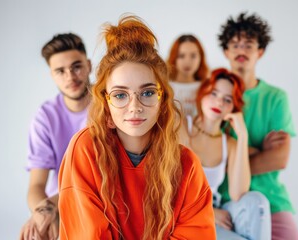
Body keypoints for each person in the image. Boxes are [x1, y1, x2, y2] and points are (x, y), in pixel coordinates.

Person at [58, 15, 216, 240]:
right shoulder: (85, 149)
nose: (134, 106)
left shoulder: (187, 166)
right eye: (120, 95)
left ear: (162, 101)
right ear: (106, 103)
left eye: (148, 93)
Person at [217, 12, 298, 239]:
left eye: (248, 44)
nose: (241, 50)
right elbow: (210, 156)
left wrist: (231, 158)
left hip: (272, 201)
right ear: (226, 52)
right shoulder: (215, 98)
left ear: (260, 51)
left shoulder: (276, 98)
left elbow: (279, 159)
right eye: (234, 45)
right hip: (225, 203)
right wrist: (258, 152)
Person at [179, 68, 271, 240]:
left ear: (233, 107)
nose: (219, 102)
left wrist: (243, 136)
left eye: (227, 99)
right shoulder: (182, 127)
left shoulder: (230, 144)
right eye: (214, 93)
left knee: (257, 201)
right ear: (203, 93)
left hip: (219, 214)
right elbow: (170, 186)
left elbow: (238, 194)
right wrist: (210, 212)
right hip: (188, 214)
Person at [20, 33, 92, 240]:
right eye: (60, 71)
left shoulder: (110, 106)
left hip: (99, 200)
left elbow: (104, 178)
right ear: (52, 75)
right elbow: (35, 186)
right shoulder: (45, 118)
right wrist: (42, 215)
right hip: (58, 204)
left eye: (76, 66)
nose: (70, 77)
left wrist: (52, 206)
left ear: (89, 65)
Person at [167, 34, 209, 118]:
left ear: (201, 58)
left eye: (193, 56)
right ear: (174, 57)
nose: (187, 61)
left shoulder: (207, 87)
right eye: (181, 56)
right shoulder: (165, 87)